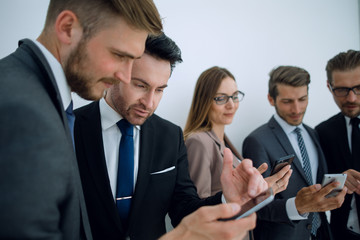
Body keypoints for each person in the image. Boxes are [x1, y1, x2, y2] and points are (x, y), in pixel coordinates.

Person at [74, 33, 268, 240]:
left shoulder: (170, 136)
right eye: (140, 85)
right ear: (114, 75)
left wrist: (226, 199)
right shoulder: (71, 126)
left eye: (159, 90)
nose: (149, 103)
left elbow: (184, 210)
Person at [0, 0, 162, 239]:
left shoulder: (32, 90)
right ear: (67, 28)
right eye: (119, 55)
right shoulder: (24, 112)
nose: (125, 76)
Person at [183, 66, 293, 240]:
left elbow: (239, 202)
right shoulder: (198, 142)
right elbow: (196, 211)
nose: (231, 105)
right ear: (204, 100)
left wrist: (263, 191)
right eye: (221, 98)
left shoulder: (225, 141)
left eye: (234, 96)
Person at [242, 66, 346, 240]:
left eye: (302, 99)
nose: (297, 109)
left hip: (321, 233)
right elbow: (256, 205)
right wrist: (297, 206)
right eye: (287, 101)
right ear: (271, 99)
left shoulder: (313, 133)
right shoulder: (257, 141)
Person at [315, 50, 360, 240]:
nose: (351, 98)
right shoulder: (323, 132)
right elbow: (318, 187)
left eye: (358, 87)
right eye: (341, 90)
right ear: (329, 87)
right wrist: (338, 181)